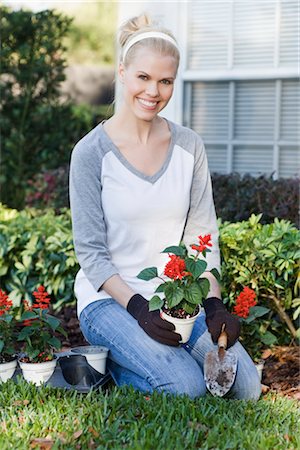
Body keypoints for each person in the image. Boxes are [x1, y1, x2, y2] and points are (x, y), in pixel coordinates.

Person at [69, 14, 261, 400]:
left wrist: (213, 306)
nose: (153, 91)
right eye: (143, 77)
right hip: (111, 302)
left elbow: (201, 238)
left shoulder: (189, 147)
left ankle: (147, 360)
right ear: (122, 73)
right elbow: (91, 253)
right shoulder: (91, 152)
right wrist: (139, 308)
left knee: (243, 387)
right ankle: (116, 364)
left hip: (177, 301)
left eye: (165, 81)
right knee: (186, 389)